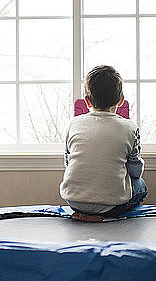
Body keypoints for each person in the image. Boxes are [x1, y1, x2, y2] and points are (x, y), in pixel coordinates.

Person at [59, 65, 147, 222]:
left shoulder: (72, 124)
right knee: (141, 186)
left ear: (86, 101)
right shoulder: (130, 128)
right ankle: (104, 217)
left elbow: (68, 163)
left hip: (74, 201)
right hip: (112, 205)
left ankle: (88, 214)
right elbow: (135, 172)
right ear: (121, 100)